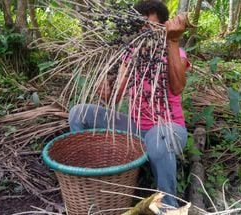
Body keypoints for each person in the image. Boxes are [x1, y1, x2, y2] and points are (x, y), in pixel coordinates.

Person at [69, 0, 190, 208]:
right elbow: (114, 97)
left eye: (149, 27)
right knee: (78, 114)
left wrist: (173, 41)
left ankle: (169, 207)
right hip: (134, 129)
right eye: (139, 27)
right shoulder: (130, 55)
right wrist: (105, 89)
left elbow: (178, 87)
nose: (143, 32)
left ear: (162, 28)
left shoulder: (175, 52)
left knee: (158, 140)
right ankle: (88, 176)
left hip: (169, 129)